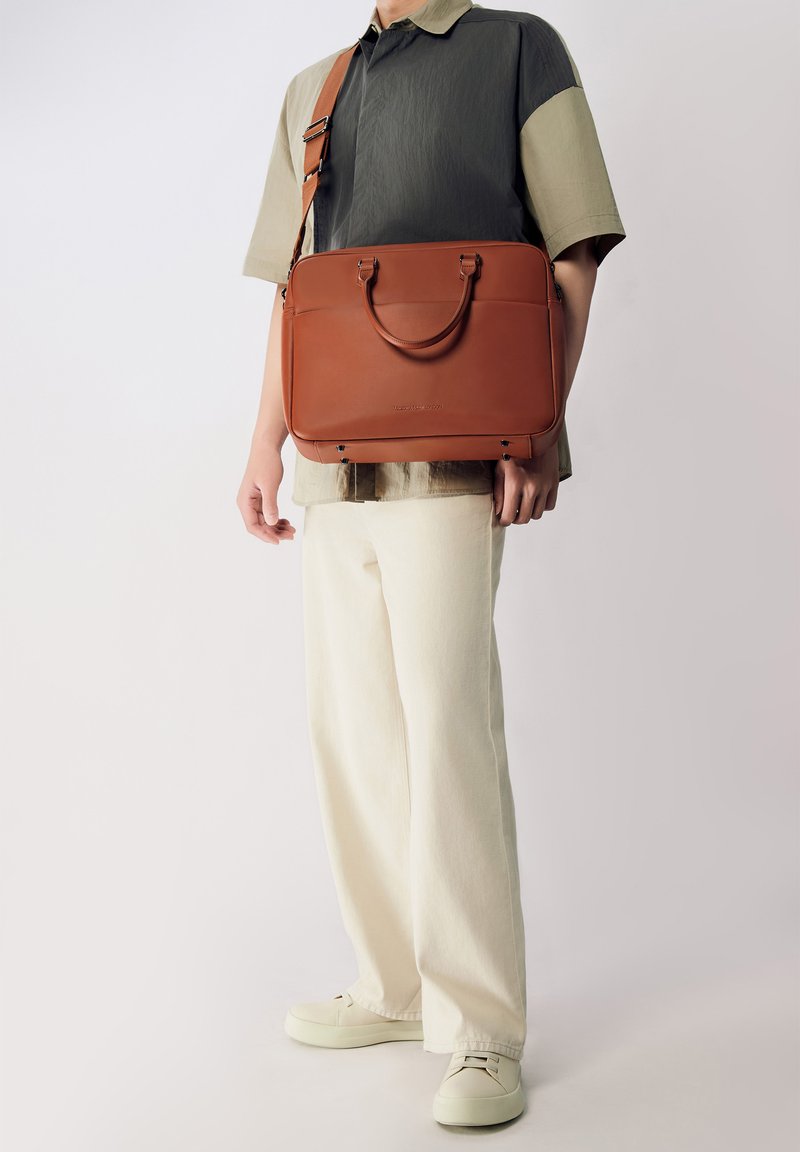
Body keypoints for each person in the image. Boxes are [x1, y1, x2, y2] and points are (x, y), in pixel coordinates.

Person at [236, 0, 626, 1128]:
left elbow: (571, 255)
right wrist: (263, 444)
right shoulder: (314, 88)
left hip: (456, 455)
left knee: (447, 726)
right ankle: (396, 985)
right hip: (333, 459)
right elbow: (297, 290)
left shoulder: (517, 48)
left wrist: (538, 424)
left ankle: (480, 1029)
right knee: (353, 732)